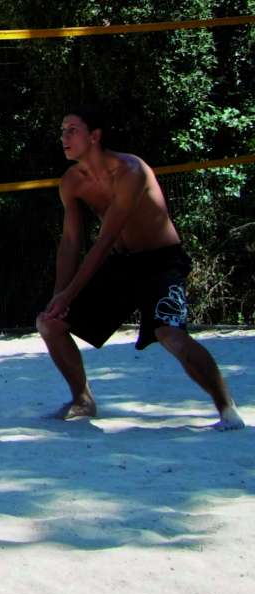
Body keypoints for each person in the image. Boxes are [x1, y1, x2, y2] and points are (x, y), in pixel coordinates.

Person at [37, 106, 243, 430]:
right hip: (123, 263)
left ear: (94, 136)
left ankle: (227, 408)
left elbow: (104, 240)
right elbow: (71, 242)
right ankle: (82, 399)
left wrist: (70, 294)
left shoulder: (131, 170)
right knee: (49, 324)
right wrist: (59, 295)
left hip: (162, 261)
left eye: (72, 130)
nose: (64, 137)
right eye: (62, 130)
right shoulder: (72, 181)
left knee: (170, 334)